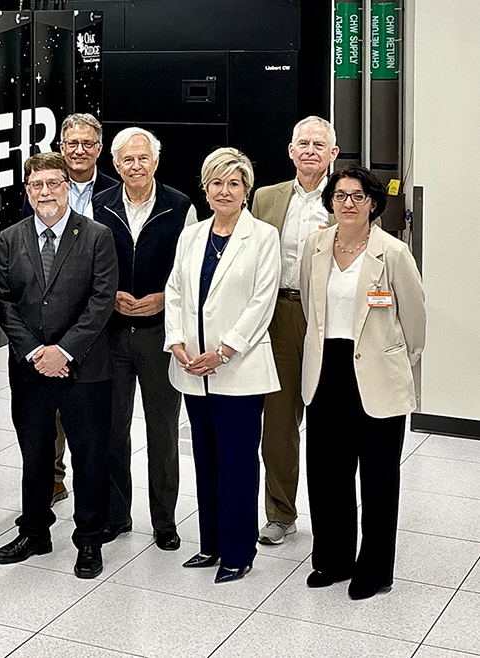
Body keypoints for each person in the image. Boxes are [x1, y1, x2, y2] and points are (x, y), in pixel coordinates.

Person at [0, 152, 118, 579]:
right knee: (35, 454)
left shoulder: (97, 235)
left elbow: (102, 300)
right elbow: (3, 301)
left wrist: (62, 351)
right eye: (36, 185)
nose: (45, 192)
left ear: (67, 187)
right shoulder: (10, 238)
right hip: (30, 370)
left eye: (53, 183)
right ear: (27, 191)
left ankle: (90, 539)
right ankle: (34, 532)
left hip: (85, 368)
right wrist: (35, 352)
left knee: (89, 456)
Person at [299, 165, 425, 600]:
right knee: (327, 474)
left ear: (373, 203)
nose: (348, 203)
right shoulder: (315, 246)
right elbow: (310, 309)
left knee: (378, 480)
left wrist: (395, 360)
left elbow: (415, 319)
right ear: (330, 202)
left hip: (376, 374)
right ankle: (333, 560)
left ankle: (373, 570)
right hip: (326, 371)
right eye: (340, 195)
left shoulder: (393, 252)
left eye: (357, 196)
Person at [164, 147, 281, 583]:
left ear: (247, 190)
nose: (224, 191)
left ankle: (238, 552)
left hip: (238, 369)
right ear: (205, 188)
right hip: (193, 368)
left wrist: (226, 351)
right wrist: (175, 340)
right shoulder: (192, 234)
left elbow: (262, 301)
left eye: (234, 183)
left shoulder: (264, 237)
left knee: (237, 463)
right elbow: (175, 290)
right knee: (206, 459)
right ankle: (210, 545)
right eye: (216, 182)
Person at [93, 127, 196, 549]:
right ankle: (117, 515)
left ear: (156, 160)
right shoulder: (99, 205)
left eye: (143, 158)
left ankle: (165, 520)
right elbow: (89, 266)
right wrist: (110, 296)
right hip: (112, 334)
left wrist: (164, 300)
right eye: (127, 160)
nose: (136, 166)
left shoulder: (181, 206)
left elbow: (190, 273)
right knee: (112, 429)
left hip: (160, 335)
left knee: (163, 431)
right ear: (116, 165)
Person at [19, 113, 120, 507]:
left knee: (95, 424)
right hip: (45, 329)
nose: (79, 150)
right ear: (61, 147)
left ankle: (102, 507)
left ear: (99, 148)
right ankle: (53, 480)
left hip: (100, 324)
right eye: (71, 143)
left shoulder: (114, 192)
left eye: (87, 143)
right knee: (46, 420)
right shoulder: (40, 187)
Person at [250, 116, 339, 546]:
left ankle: (332, 516)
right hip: (280, 316)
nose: (310, 151)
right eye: (303, 143)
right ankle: (280, 513)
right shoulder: (265, 198)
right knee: (279, 424)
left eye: (319, 145)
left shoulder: (347, 198)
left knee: (329, 422)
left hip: (329, 318)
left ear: (333, 154)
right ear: (290, 151)